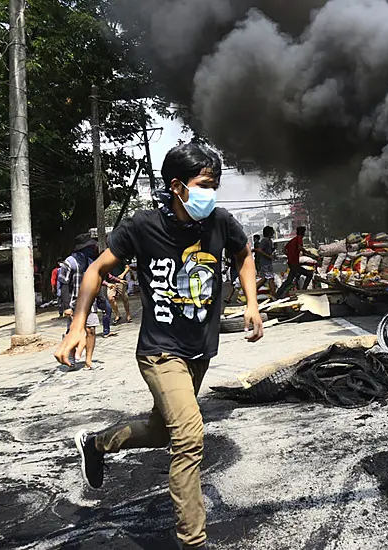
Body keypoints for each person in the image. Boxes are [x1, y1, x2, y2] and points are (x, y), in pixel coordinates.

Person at [55, 143, 263, 550]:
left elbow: (244, 256)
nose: (212, 192)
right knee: (188, 437)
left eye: (215, 184)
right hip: (159, 350)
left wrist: (252, 302)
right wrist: (77, 325)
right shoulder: (142, 226)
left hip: (199, 350)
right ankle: (193, 541)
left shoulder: (220, 221)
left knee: (159, 429)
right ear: (178, 187)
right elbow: (97, 269)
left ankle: (96, 445)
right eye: (205, 184)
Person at [59, 234, 101, 370]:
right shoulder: (69, 262)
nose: (92, 249)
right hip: (74, 304)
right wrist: (66, 306)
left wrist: (101, 300)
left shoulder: (90, 263)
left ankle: (88, 361)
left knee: (91, 330)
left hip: (90, 304)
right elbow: (64, 285)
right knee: (73, 332)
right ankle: (71, 359)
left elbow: (95, 282)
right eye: (90, 247)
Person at [277, 226, 314, 298]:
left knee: (289, 280)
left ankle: (278, 294)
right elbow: (300, 248)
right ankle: (303, 291)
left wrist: (290, 255)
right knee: (309, 274)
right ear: (303, 233)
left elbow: (284, 250)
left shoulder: (292, 240)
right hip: (294, 263)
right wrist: (309, 253)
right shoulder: (299, 238)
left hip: (291, 263)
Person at [256, 226, 277, 296]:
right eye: (272, 231)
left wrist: (274, 248)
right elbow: (259, 250)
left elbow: (268, 251)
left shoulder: (269, 241)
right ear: (269, 233)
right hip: (265, 263)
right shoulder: (264, 240)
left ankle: (254, 290)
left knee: (265, 278)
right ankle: (273, 293)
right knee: (270, 278)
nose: (273, 233)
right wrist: (268, 256)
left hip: (267, 262)